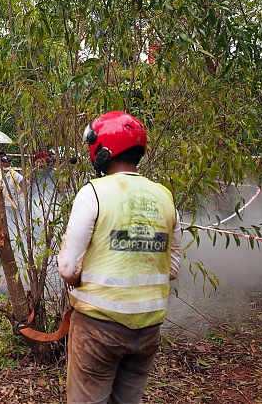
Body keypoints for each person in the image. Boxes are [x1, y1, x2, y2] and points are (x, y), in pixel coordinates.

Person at [57, 111, 182, 404]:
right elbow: (173, 268)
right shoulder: (164, 196)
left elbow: (66, 267)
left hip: (99, 328)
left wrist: (82, 278)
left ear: (101, 149)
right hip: (149, 329)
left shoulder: (94, 193)